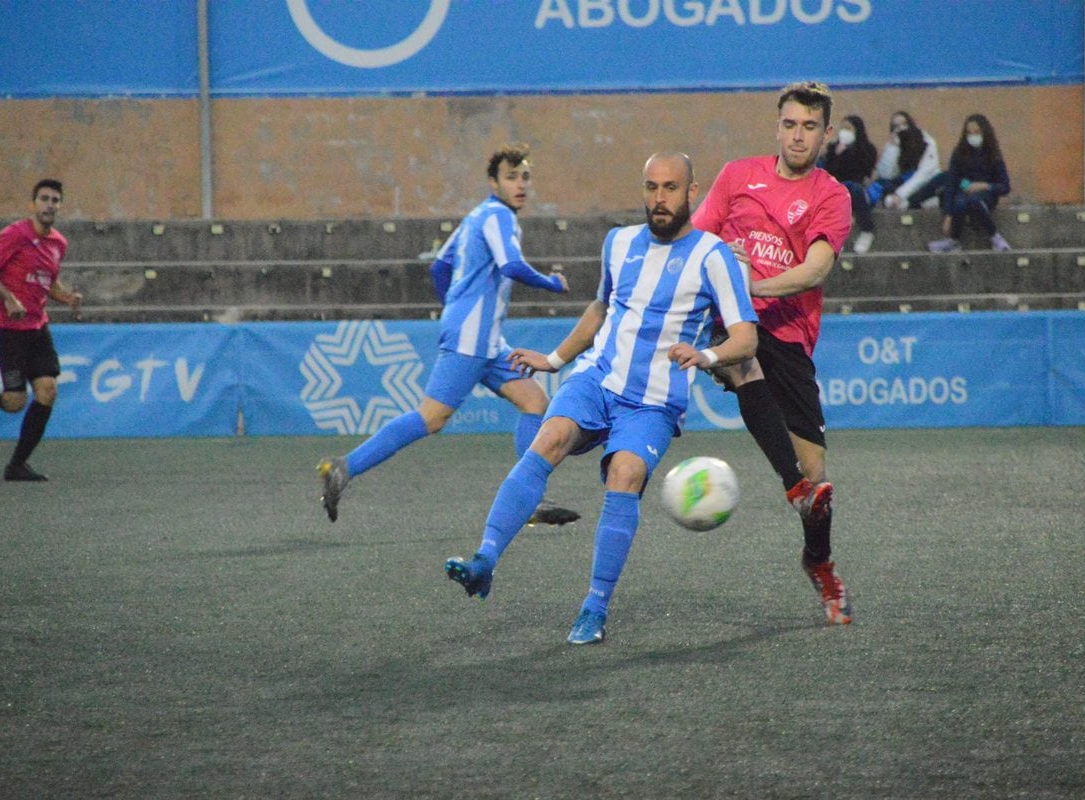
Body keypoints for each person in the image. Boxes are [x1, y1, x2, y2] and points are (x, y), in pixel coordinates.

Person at [444, 151, 758, 645]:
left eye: (671, 188)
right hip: (597, 378)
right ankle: (483, 560)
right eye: (651, 187)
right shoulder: (619, 242)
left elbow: (746, 337)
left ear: (692, 192)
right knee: (548, 438)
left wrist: (709, 356)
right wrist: (555, 359)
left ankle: (594, 608)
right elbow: (600, 308)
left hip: (654, 401)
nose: (659, 198)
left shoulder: (714, 257)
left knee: (625, 473)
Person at [316, 143, 579, 526]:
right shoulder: (499, 216)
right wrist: (553, 284)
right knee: (431, 418)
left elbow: (440, 267)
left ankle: (528, 499)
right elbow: (512, 266)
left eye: (525, 177)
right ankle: (344, 467)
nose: (520, 184)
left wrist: (455, 307)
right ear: (493, 182)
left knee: (534, 402)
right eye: (511, 177)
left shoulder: (476, 216)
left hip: (485, 339)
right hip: (472, 337)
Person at [691, 81, 854, 626]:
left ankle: (819, 560)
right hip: (735, 325)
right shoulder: (738, 175)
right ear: (777, 126)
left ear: (825, 133)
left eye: (809, 126)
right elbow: (694, 240)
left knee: (818, 469)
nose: (798, 135)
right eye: (789, 124)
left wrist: (751, 285)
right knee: (742, 353)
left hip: (790, 333)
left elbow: (815, 270)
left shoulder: (831, 195)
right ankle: (795, 488)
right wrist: (722, 266)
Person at [0, 179, 82, 481]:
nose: (50, 204)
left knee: (47, 391)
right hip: (7, 327)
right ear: (33, 204)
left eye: (55, 200)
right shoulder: (16, 234)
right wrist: (8, 298)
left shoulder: (58, 242)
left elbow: (49, 281)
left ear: (60, 206)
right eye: (44, 198)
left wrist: (67, 297)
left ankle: (17, 465)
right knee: (13, 402)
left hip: (37, 326)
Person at [928, 114, 1013, 253]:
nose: (972, 136)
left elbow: (1005, 186)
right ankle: (953, 241)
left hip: (986, 194)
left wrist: (984, 186)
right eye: (969, 132)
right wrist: (948, 215)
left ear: (984, 132)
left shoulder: (993, 154)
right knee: (960, 202)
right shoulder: (960, 153)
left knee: (974, 201)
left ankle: (995, 237)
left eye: (977, 132)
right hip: (965, 189)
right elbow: (952, 181)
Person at [821, 114, 878, 253]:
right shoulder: (833, 148)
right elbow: (829, 174)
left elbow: (863, 174)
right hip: (836, 190)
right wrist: (837, 155)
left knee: (853, 188)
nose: (844, 131)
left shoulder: (867, 149)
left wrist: (849, 153)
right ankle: (836, 239)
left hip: (857, 191)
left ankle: (867, 230)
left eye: (849, 128)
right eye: (843, 128)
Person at [869, 111, 941, 211]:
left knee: (942, 179)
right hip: (903, 184)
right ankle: (911, 203)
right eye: (896, 126)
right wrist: (894, 148)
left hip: (924, 184)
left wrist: (900, 194)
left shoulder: (926, 141)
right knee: (882, 184)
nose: (901, 128)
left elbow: (923, 175)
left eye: (904, 124)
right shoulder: (893, 144)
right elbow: (887, 175)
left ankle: (908, 203)